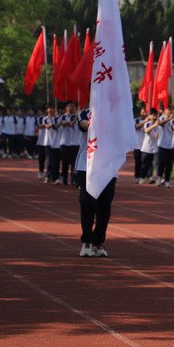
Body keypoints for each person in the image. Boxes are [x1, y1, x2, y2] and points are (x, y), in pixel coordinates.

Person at [74, 104, 112, 258]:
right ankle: (86, 241)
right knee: (87, 203)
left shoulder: (115, 113)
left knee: (104, 207)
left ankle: (97, 243)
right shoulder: (84, 113)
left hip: (109, 165)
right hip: (87, 164)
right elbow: (84, 125)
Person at [59, 102, 79, 186]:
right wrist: (76, 117)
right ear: (66, 107)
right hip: (65, 143)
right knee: (65, 163)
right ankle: (64, 179)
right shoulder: (63, 117)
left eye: (73, 106)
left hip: (75, 143)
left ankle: (74, 180)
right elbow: (68, 124)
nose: (71, 107)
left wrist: (77, 116)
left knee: (74, 163)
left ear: (76, 107)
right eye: (69, 106)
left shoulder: (79, 117)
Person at [139, 111, 159, 183]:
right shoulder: (148, 123)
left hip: (153, 148)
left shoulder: (157, 126)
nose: (154, 117)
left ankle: (149, 176)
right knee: (144, 163)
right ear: (150, 116)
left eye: (155, 116)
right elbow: (146, 130)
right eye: (153, 116)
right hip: (146, 147)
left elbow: (157, 134)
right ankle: (141, 177)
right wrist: (154, 125)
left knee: (151, 164)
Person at [155, 109, 174, 187]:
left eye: (170, 111)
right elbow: (160, 123)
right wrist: (168, 119)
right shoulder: (163, 117)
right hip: (162, 144)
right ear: (164, 112)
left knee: (169, 164)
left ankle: (167, 180)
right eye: (167, 111)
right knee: (162, 162)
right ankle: (159, 177)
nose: (169, 112)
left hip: (170, 145)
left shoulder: (173, 120)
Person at [133, 110, 149, 183]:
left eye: (145, 112)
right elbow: (137, 127)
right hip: (137, 145)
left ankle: (143, 176)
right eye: (143, 112)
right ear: (140, 113)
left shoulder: (149, 121)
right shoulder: (137, 120)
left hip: (145, 145)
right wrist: (145, 121)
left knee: (145, 162)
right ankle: (137, 176)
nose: (144, 113)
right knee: (138, 162)